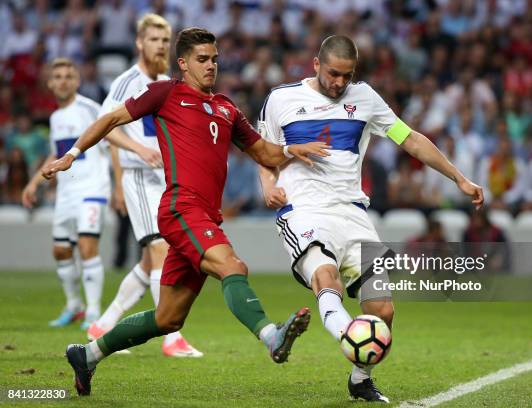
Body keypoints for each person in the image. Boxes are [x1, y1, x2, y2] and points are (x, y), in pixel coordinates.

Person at [42, 27, 329, 397]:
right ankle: (271, 336)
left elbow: (264, 153)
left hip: (205, 216)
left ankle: (88, 354)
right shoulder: (167, 94)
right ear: (183, 63)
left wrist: (292, 151)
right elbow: (110, 120)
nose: (211, 65)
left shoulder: (227, 108)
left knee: (168, 318)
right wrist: (71, 154)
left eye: (215, 59)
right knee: (233, 267)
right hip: (182, 208)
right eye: (202, 59)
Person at [257, 35, 484, 403]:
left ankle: (360, 378)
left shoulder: (365, 98)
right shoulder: (282, 99)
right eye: (333, 74)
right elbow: (262, 149)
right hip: (304, 210)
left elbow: (409, 139)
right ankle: (351, 334)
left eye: (347, 76)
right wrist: (268, 184)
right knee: (324, 276)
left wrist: (459, 177)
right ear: (316, 65)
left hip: (353, 213)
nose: (339, 83)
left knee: (383, 309)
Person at [85, 13, 202, 358]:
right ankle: (171, 337)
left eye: (165, 41)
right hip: (138, 176)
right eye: (153, 40)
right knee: (162, 252)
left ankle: (102, 325)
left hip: (164, 179)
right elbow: (105, 125)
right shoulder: (127, 81)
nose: (160, 46)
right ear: (139, 42)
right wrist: (135, 153)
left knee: (150, 263)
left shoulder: (167, 81)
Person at [22, 58, 108, 329]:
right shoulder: (56, 117)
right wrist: (34, 183)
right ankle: (74, 306)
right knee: (60, 250)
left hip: (93, 188)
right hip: (67, 192)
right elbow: (56, 154)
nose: (63, 80)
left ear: (77, 81)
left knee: (86, 247)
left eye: (69, 76)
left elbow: (113, 140)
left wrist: (119, 179)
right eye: (57, 76)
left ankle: (94, 311)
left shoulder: (89, 108)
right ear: (50, 83)